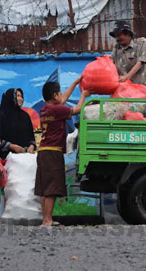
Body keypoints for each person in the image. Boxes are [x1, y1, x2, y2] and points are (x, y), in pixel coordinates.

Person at [35, 78, 90, 227]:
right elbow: (77, 109)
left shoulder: (45, 109)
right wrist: (84, 95)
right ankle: (47, 220)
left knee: (45, 188)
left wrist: (74, 83)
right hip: (53, 153)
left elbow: (63, 99)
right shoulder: (57, 110)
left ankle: (46, 219)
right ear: (54, 96)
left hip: (43, 152)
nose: (62, 95)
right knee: (51, 188)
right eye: (59, 93)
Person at [0, 88, 36, 159]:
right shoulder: (3, 116)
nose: (21, 99)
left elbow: (32, 138)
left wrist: (32, 146)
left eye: (21, 96)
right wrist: (11, 146)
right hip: (8, 158)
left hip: (25, 158)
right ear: (11, 97)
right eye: (18, 96)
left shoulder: (25, 116)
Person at [110, 20, 146, 93]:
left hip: (139, 91)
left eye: (119, 35)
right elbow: (109, 63)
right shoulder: (116, 48)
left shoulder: (141, 42)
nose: (117, 38)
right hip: (122, 92)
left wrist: (127, 77)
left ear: (128, 34)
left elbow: (141, 62)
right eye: (116, 36)